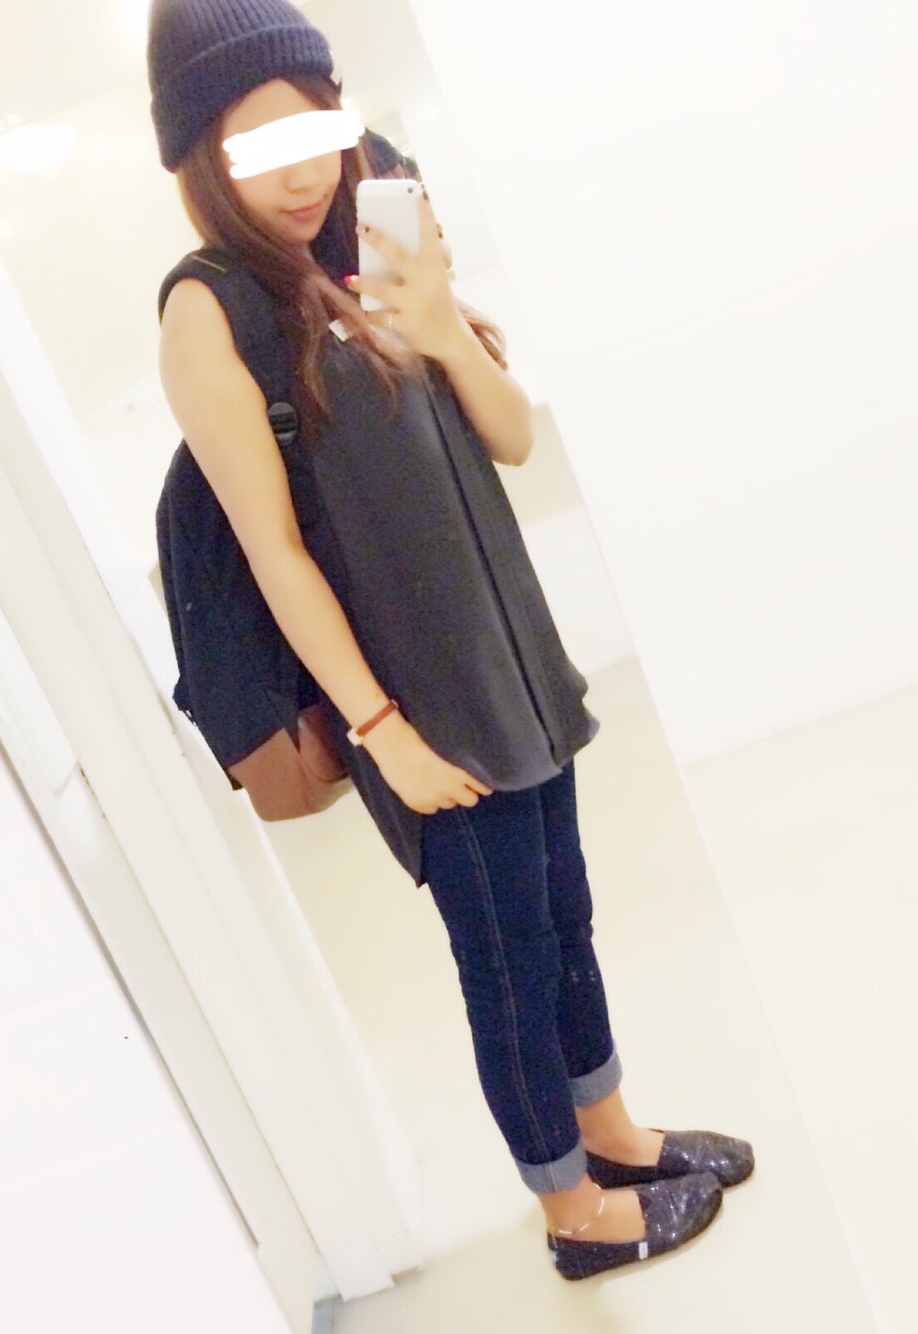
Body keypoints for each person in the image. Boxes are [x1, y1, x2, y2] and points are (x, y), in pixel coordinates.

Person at [147, 0, 753, 1283]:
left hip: (517, 668)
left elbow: (512, 436)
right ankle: (572, 1212)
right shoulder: (210, 312)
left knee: (566, 915)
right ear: (201, 157)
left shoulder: (375, 254)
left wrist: (433, 325)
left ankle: (611, 1136)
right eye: (259, 149)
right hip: (423, 712)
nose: (304, 173)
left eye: (314, 130)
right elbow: (276, 552)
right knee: (507, 965)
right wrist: (384, 735)